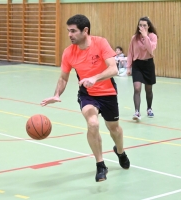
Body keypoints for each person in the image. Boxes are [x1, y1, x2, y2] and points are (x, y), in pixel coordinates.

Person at [41, 14, 130, 182]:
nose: (69, 35)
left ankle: (120, 151)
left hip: (108, 93)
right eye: (68, 31)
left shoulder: (100, 43)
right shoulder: (68, 53)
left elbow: (114, 69)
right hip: (87, 95)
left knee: (115, 130)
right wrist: (57, 94)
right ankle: (100, 164)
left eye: (73, 31)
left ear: (85, 31)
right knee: (93, 123)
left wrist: (95, 78)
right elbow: (63, 77)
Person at [126, 16, 158, 121]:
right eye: (140, 25)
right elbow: (130, 52)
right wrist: (128, 67)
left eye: (144, 25)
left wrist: (146, 37)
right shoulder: (134, 38)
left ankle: (149, 108)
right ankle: (137, 112)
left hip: (148, 64)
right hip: (137, 65)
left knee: (148, 89)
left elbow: (150, 50)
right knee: (137, 88)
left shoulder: (153, 36)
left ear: (148, 26)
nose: (142, 27)